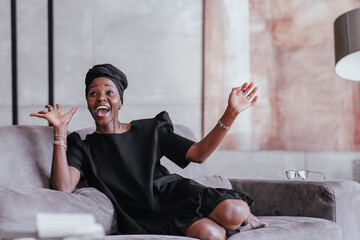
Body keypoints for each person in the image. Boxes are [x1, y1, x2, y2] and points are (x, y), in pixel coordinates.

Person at [30, 64, 266, 240]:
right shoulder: (82, 145)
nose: (101, 97)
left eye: (109, 92)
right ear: (89, 102)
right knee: (212, 235)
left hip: (175, 194)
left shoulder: (150, 129)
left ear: (120, 101)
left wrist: (231, 113)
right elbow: (62, 187)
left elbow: (198, 153)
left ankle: (242, 218)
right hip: (142, 215)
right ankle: (233, 223)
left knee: (234, 211)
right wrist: (59, 131)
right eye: (93, 93)